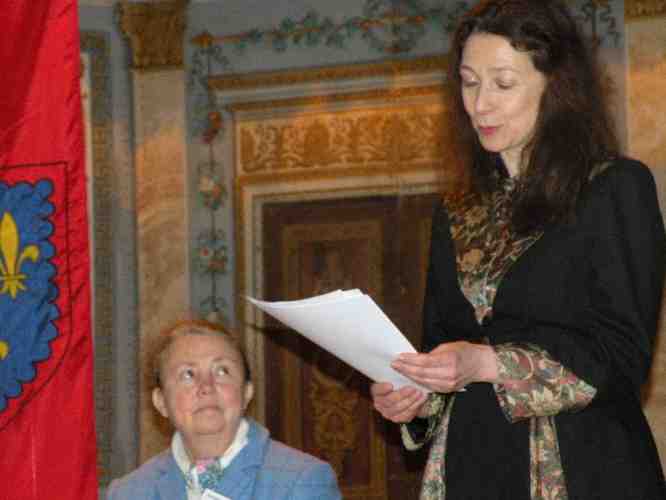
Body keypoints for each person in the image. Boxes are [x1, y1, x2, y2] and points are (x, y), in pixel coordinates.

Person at [370, 1, 666, 499]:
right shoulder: (456, 211)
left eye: (502, 84)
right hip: (472, 466)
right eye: (468, 82)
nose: (480, 104)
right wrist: (418, 395)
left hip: (585, 468)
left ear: (555, 87)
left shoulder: (614, 187)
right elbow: (444, 349)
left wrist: (485, 363)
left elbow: (623, 359)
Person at [107, 319, 342, 500]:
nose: (206, 387)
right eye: (188, 374)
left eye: (222, 371)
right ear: (160, 402)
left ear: (247, 391)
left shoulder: (302, 481)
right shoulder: (128, 492)